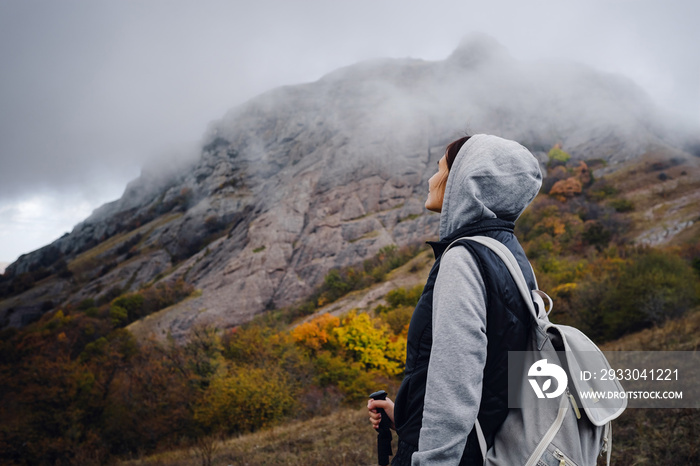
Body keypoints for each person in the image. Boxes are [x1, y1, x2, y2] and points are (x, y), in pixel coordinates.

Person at [367, 134, 542, 465]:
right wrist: (402, 418)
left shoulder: (463, 258)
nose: (432, 179)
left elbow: (454, 387)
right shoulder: (510, 256)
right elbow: (495, 378)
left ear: (464, 178)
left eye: (441, 169)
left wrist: (432, 456)